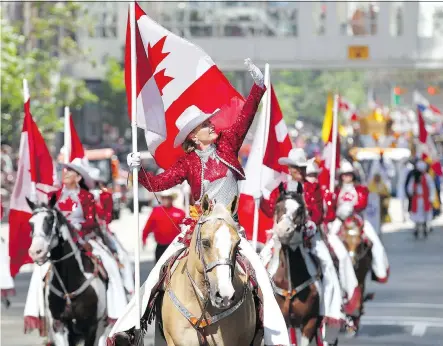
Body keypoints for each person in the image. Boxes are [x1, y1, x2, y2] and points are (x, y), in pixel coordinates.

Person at [110, 58, 290, 346]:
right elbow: (158, 184)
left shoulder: (229, 145)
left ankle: (276, 339)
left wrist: (258, 88)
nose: (211, 125)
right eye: (205, 125)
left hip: (231, 233)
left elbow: (245, 117)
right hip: (197, 231)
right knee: (160, 271)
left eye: (209, 122)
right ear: (194, 136)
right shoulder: (187, 164)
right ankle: (130, 328)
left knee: (262, 279)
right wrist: (137, 170)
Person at [24, 159, 127, 330]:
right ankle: (41, 315)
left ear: (78, 178)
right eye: (64, 171)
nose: (65, 174)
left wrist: (77, 230)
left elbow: (92, 221)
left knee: (110, 264)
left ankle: (117, 312)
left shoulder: (87, 197)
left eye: (70, 172)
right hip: (60, 242)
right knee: (39, 270)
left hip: (85, 239)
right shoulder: (54, 196)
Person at [261, 149, 344, 341]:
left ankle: (327, 309)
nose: (299, 171)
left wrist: (310, 223)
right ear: (289, 168)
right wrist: (261, 201)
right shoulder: (280, 187)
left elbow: (317, 212)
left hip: (307, 236)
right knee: (261, 263)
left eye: (301, 167)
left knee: (328, 265)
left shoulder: (312, 188)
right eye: (295, 167)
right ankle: (260, 311)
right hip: (281, 236)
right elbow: (271, 208)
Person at [329, 160, 390, 283]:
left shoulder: (360, 189)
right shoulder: (336, 190)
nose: (347, 177)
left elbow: (362, 203)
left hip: (357, 219)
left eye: (349, 174)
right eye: (344, 174)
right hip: (340, 220)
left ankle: (379, 270)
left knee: (375, 241)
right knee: (329, 239)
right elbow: (332, 206)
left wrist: (352, 207)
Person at [89, 168, 134, 295]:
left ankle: (127, 287)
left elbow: (107, 217)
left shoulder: (104, 195)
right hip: (83, 235)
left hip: (101, 232)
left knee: (122, 256)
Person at [142, 189, 185, 262]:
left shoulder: (180, 213)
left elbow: (185, 229)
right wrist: (144, 238)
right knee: (159, 270)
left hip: (175, 247)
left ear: (172, 198)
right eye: (164, 198)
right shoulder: (156, 211)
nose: (166, 200)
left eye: (168, 197)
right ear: (161, 199)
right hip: (160, 247)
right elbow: (148, 226)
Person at [405, 160, 436, 237]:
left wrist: (431, 198)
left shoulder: (427, 177)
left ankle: (425, 228)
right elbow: (410, 187)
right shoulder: (414, 177)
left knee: (425, 214)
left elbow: (432, 188)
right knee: (417, 214)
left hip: (425, 199)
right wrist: (412, 192)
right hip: (417, 199)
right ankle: (416, 228)